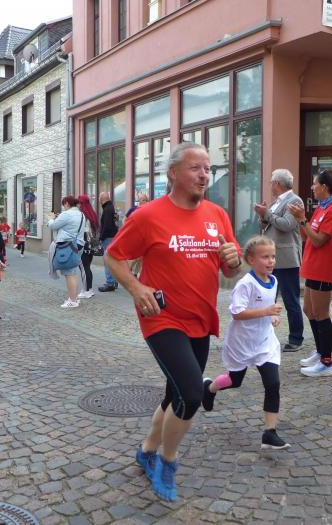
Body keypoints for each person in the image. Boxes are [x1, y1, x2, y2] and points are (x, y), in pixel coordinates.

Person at [105, 142, 242, 502]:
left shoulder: (217, 215)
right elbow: (114, 256)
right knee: (192, 394)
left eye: (207, 168)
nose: (204, 175)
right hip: (161, 317)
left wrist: (233, 260)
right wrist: (136, 288)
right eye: (196, 168)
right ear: (173, 173)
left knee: (174, 394)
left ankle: (147, 450)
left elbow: (230, 268)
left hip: (201, 318)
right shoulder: (148, 216)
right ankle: (167, 461)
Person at [201, 236, 290, 450]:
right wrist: (266, 311)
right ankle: (209, 388)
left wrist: (272, 316)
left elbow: (268, 304)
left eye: (273, 256)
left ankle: (270, 433)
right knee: (235, 381)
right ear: (251, 259)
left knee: (273, 384)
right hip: (241, 342)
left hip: (264, 342)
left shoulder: (274, 280)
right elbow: (237, 313)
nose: (271, 261)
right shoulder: (245, 284)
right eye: (265, 257)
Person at [288, 169, 332, 377]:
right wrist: (300, 220)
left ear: (324, 187)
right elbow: (307, 237)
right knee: (309, 310)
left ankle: (327, 362)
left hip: (324, 266)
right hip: (313, 265)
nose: (312, 187)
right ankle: (321, 351)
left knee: (321, 314)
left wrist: (302, 219)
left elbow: (319, 240)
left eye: (315, 184)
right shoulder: (322, 207)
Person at [254, 169, 305, 353]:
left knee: (291, 300)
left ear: (277, 183)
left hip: (286, 258)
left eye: (271, 182)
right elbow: (269, 225)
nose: (270, 185)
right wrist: (263, 215)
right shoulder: (276, 202)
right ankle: (263, 336)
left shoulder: (295, 201)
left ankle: (296, 338)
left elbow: (287, 225)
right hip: (272, 258)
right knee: (267, 298)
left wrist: (267, 213)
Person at [47, 196, 87, 308]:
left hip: (68, 246)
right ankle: (75, 298)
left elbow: (53, 226)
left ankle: (72, 300)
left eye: (64, 204)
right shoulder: (81, 214)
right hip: (78, 244)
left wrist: (51, 218)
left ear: (67, 203)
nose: (63, 206)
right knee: (73, 272)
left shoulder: (67, 214)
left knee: (69, 273)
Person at [97, 191, 120, 292]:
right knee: (112, 260)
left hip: (108, 238)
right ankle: (114, 281)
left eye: (99, 198)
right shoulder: (111, 208)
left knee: (107, 261)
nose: (98, 200)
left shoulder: (107, 209)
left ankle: (110, 282)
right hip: (113, 237)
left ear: (102, 199)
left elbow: (106, 226)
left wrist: (101, 238)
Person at [78, 194, 100, 299]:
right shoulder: (92, 213)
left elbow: (82, 230)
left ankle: (87, 290)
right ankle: (88, 289)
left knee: (83, 267)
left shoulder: (82, 215)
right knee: (87, 267)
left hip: (84, 243)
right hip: (91, 244)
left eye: (78, 203)